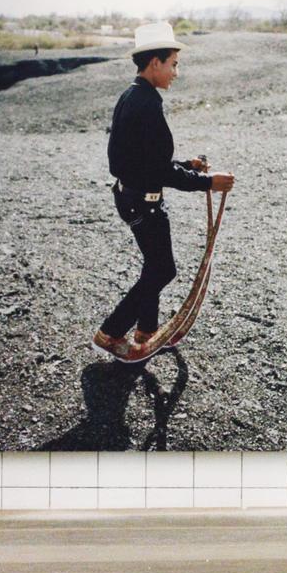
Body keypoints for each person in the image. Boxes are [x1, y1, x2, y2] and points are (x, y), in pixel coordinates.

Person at [91, 21, 234, 362]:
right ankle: (111, 333)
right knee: (162, 270)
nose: (176, 73)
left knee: (154, 265)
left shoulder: (133, 96)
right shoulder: (145, 104)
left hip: (133, 197)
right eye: (173, 64)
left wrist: (187, 165)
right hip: (143, 202)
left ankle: (146, 331)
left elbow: (141, 160)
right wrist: (207, 182)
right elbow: (157, 170)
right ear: (155, 62)